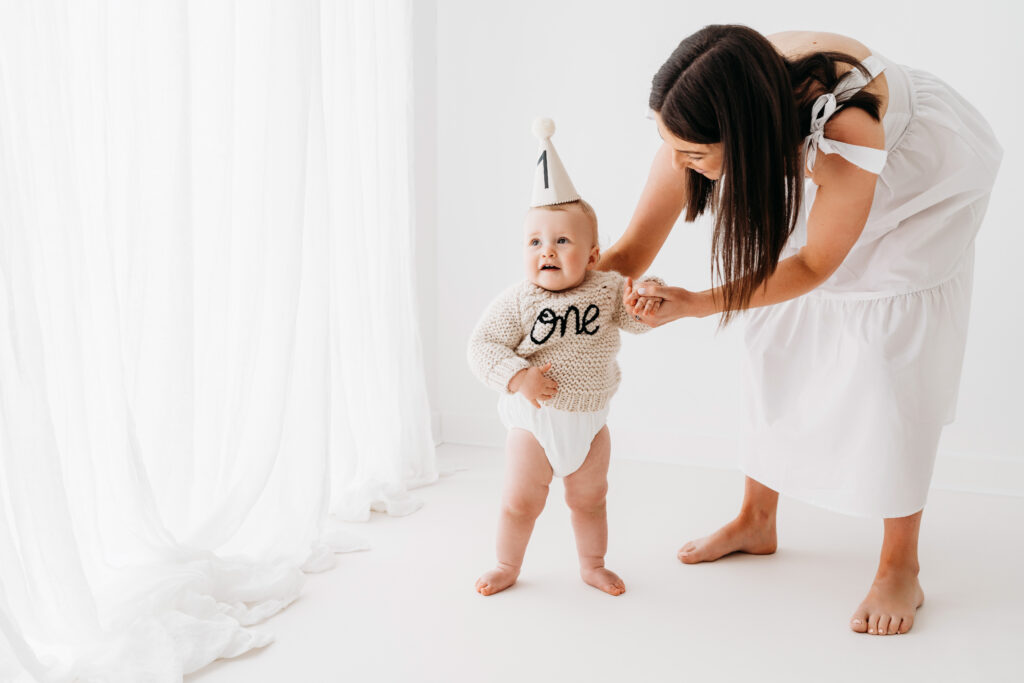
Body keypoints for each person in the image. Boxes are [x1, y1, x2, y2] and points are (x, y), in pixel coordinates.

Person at [598, 26, 1002, 634]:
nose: (680, 164)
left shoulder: (846, 131)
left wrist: (696, 303)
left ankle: (901, 565)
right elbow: (634, 245)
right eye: (671, 145)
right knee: (775, 332)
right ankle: (756, 519)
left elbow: (815, 265)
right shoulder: (708, 106)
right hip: (814, 157)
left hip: (918, 180)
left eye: (693, 155)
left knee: (887, 359)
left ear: (743, 136)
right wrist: (563, 300)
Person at [467, 119, 659, 597]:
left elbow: (635, 321)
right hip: (536, 422)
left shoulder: (609, 288)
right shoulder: (519, 300)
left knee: (591, 499)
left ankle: (593, 565)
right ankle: (506, 564)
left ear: (593, 255)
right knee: (521, 503)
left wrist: (647, 300)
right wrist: (518, 377)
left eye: (561, 241)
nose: (546, 251)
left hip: (591, 424)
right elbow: (481, 346)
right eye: (535, 242)